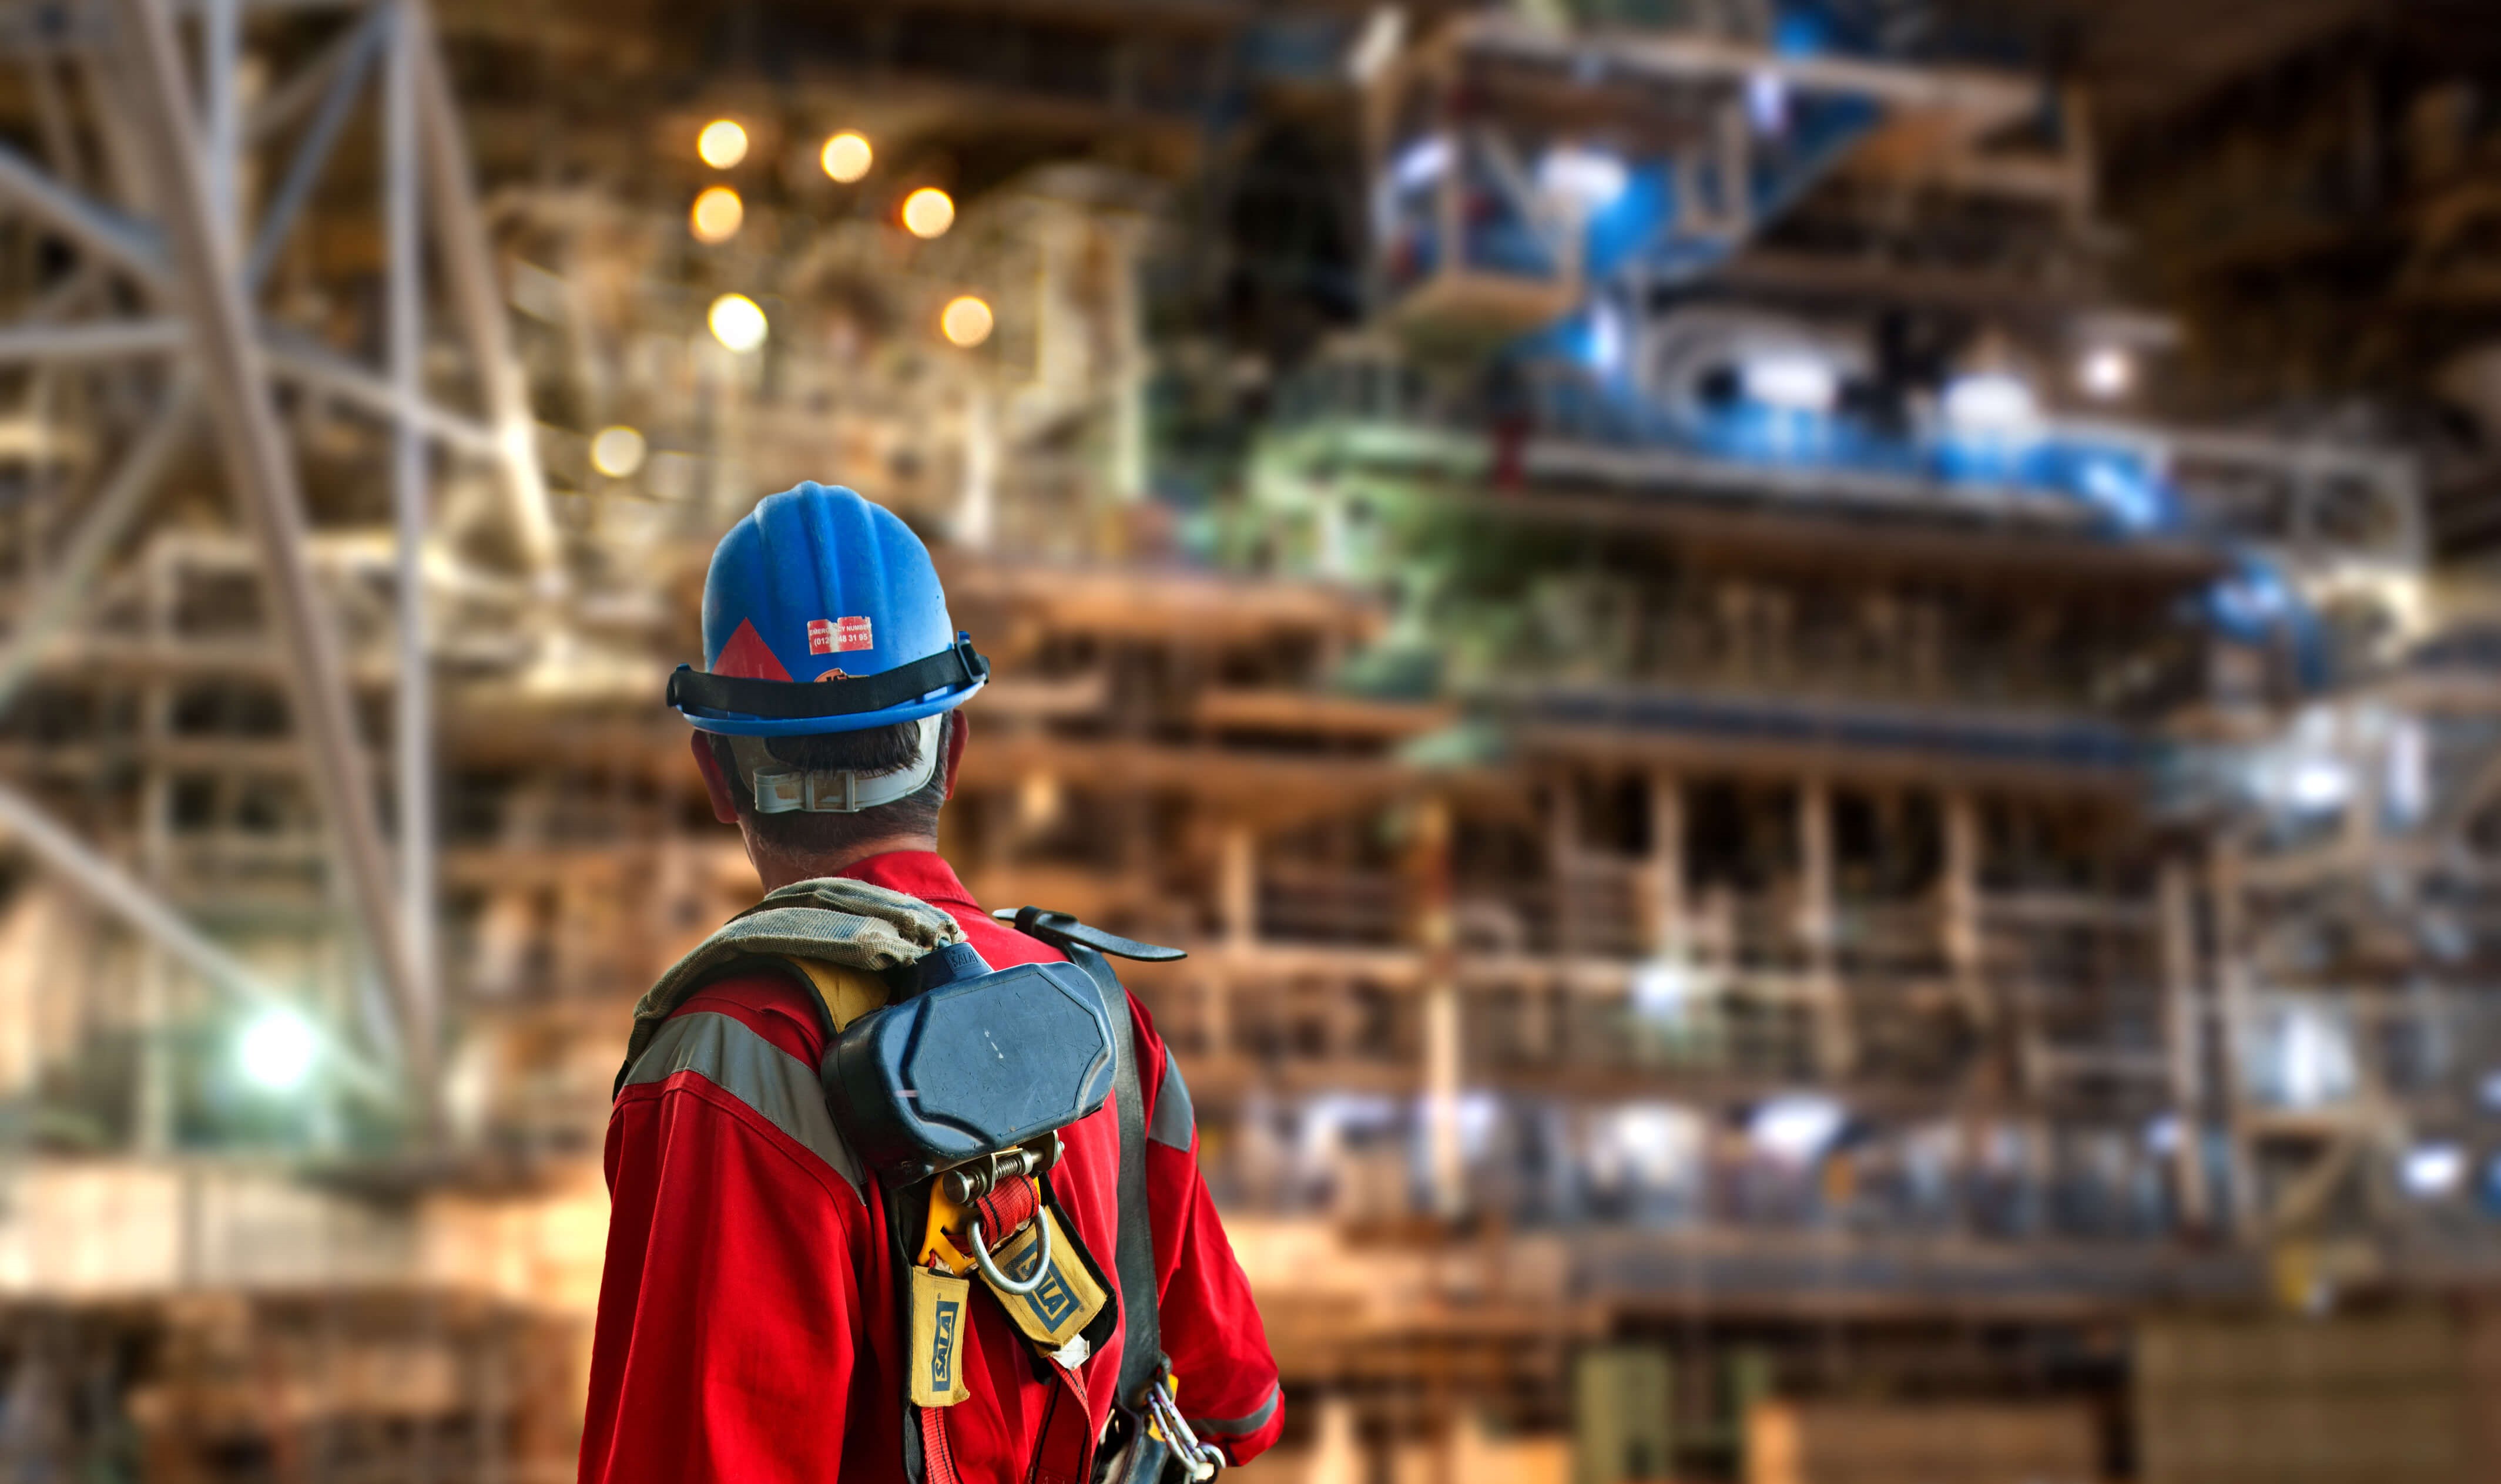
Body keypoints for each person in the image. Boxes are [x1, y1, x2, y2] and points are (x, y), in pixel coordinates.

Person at [579, 483, 1282, 1483]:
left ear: (716, 770)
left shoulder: (739, 1053)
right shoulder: (1102, 1021)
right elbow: (1233, 1402)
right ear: (953, 744)